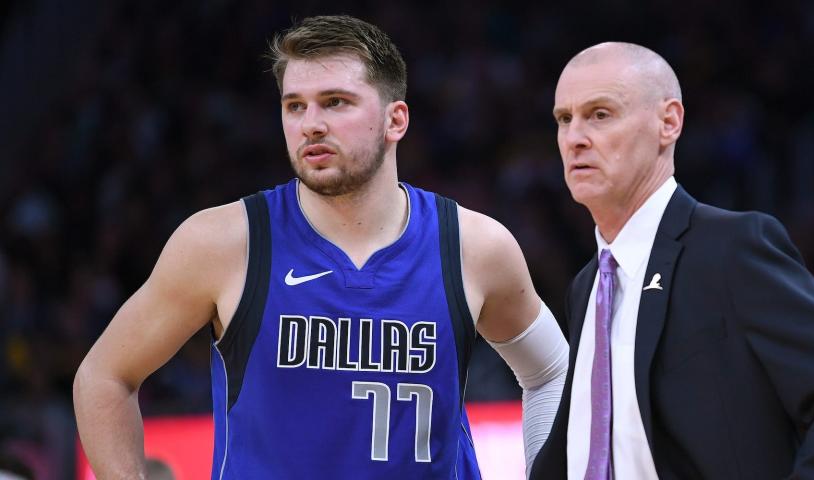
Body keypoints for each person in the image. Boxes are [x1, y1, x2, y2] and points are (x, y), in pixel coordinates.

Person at [73, 15, 568, 479]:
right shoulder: (224, 242)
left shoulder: (473, 246)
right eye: (295, 105)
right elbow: (103, 377)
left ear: (396, 121)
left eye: (335, 102)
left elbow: (551, 372)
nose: (311, 123)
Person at [530, 42, 814, 479]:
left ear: (668, 122)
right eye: (564, 119)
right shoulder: (589, 285)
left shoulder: (731, 247)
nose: (575, 137)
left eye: (600, 114)